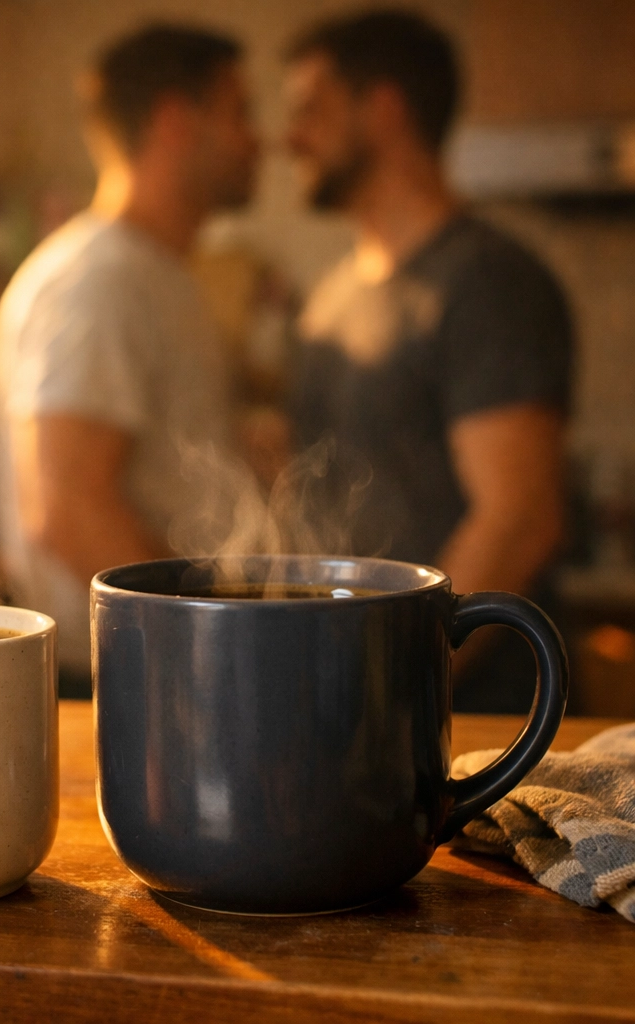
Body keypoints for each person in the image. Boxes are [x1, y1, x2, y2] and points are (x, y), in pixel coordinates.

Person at [282, 10, 573, 711]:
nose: (289, 138)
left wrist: (390, 697)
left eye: (311, 110)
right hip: (350, 704)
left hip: (471, 725)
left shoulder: (487, 281)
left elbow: (519, 516)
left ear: (383, 109)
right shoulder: (330, 297)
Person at [0, 24, 259, 696]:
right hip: (128, 676)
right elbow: (66, 507)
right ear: (174, 123)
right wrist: (215, 648)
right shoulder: (99, 279)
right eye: (239, 114)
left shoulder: (155, 274)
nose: (261, 140)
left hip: (151, 663)